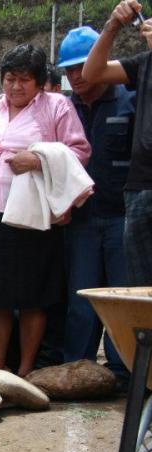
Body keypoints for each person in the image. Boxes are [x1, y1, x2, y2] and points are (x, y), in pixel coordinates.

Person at [0, 44, 90, 377]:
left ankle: (25, 370)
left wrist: (38, 159)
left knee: (32, 295)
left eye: (24, 80)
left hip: (32, 214)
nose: (15, 87)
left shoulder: (57, 106)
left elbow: (79, 151)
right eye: (10, 78)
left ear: (39, 82)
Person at [57, 26, 134, 387]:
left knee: (121, 297)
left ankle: (123, 371)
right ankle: (78, 369)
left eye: (81, 67)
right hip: (81, 219)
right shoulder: (64, 108)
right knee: (81, 297)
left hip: (123, 216)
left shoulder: (131, 100)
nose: (77, 76)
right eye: (69, 70)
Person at [82, 0, 152, 285]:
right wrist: (112, 26)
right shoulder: (144, 63)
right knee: (138, 287)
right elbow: (92, 73)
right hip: (139, 187)